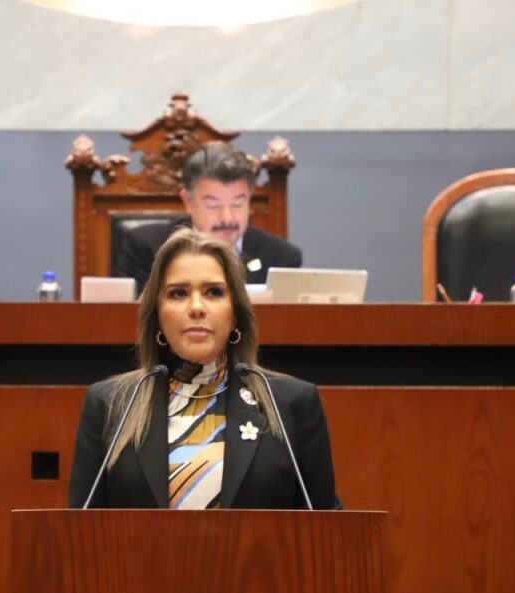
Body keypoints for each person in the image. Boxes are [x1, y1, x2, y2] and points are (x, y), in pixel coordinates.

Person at [69, 228, 338, 510]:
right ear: (157, 313)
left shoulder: (291, 404)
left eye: (213, 292)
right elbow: (80, 529)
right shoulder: (110, 404)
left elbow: (325, 528)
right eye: (178, 293)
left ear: (235, 312)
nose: (196, 307)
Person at [114, 141, 303, 292]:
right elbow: (130, 321)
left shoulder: (281, 257)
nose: (227, 218)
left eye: (237, 203)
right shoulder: (149, 249)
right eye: (213, 205)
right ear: (188, 201)